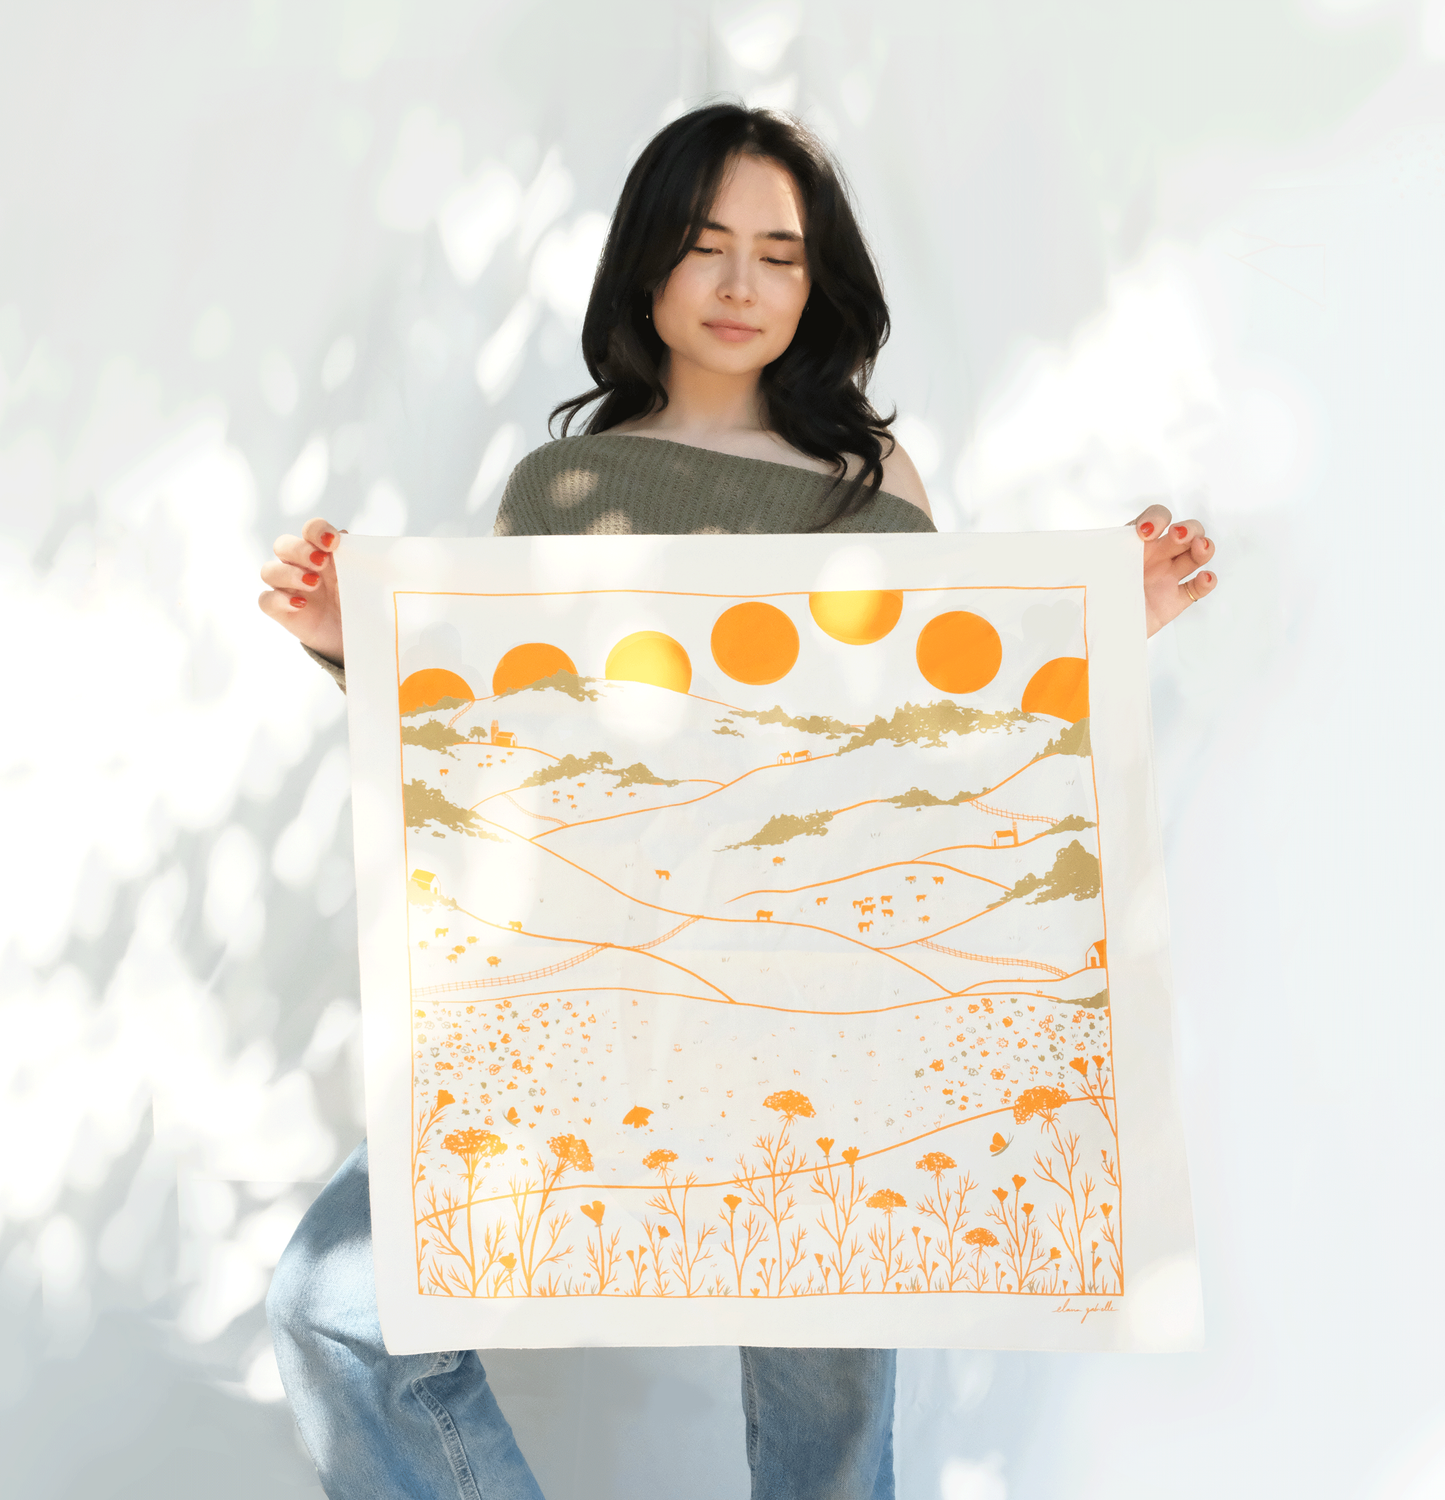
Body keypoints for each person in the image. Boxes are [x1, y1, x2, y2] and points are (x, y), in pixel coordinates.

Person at [257, 103, 1216, 1500]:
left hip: (815, 1009)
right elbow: (488, 744)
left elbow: (939, 745)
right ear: (646, 265)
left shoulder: (868, 489)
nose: (742, 284)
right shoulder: (562, 484)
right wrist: (353, 638)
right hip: (588, 984)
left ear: (817, 282)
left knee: (825, 1445)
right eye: (706, 246)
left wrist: (1105, 628)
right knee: (336, 1306)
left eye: (779, 252)